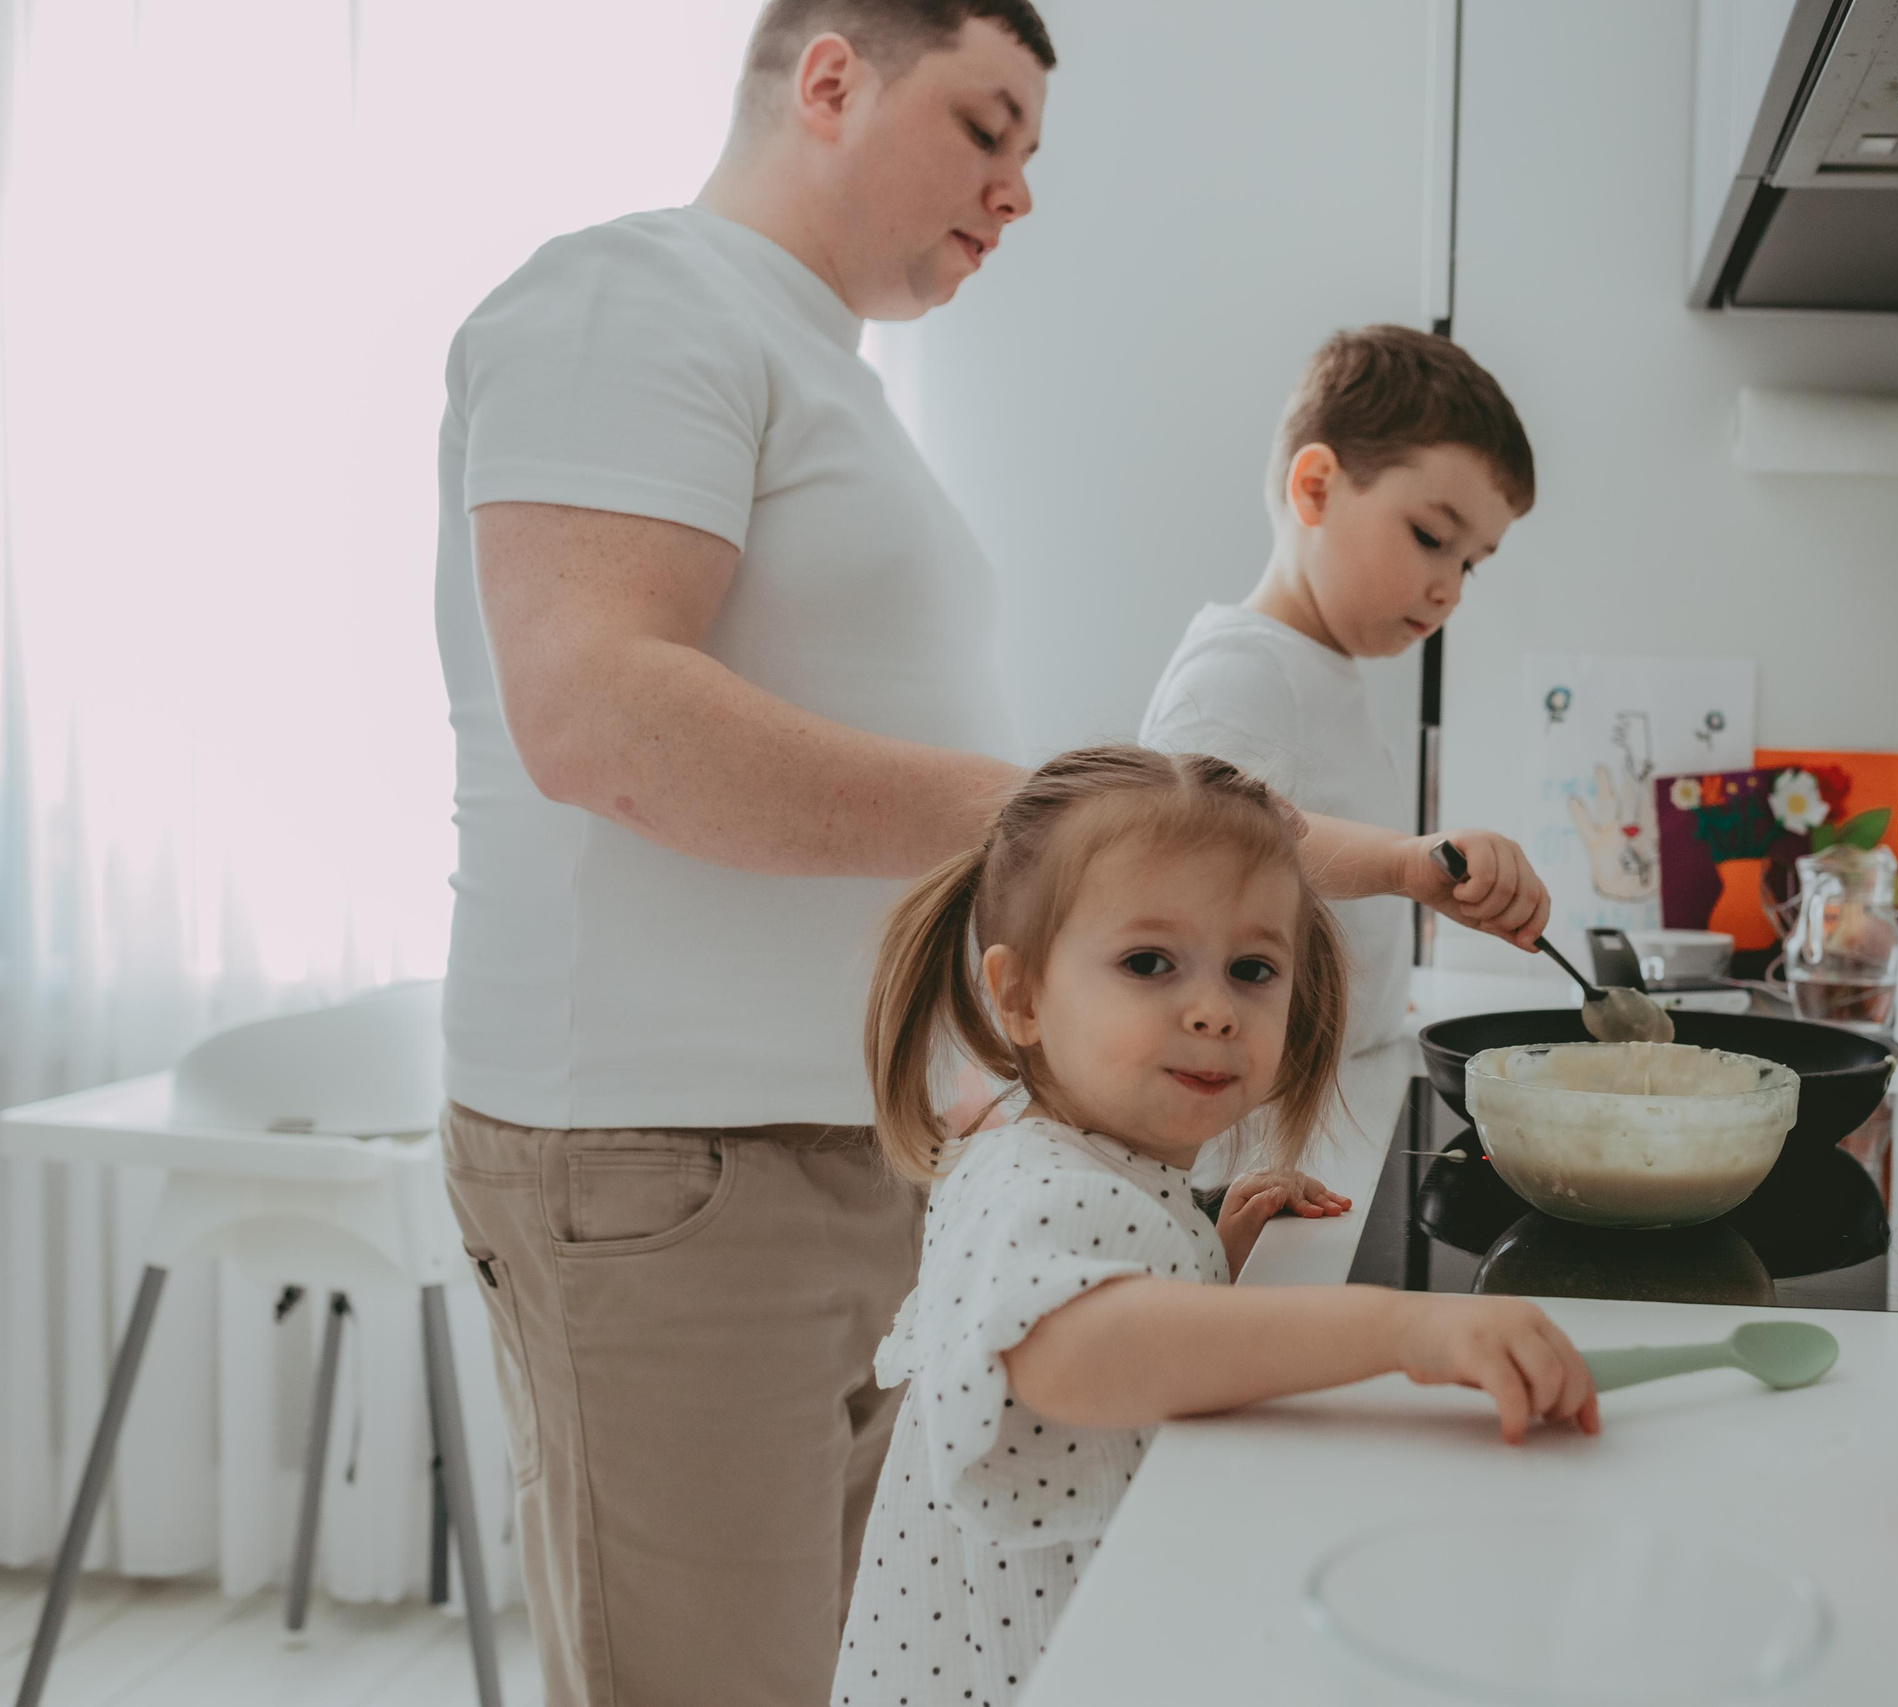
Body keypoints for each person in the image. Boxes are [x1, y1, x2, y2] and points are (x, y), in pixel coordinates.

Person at [429, 4, 1550, 1704]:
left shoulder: (824, 377)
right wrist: (1053, 824)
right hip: (664, 1160)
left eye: (1030, 153)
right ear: (828, 79)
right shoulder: (630, 300)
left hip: (851, 1148)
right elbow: (599, 717)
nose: (1018, 188)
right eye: (985, 126)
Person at [836, 746, 1600, 1706]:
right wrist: (1407, 1329)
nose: (1212, 1010)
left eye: (1252, 969)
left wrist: (1210, 1245)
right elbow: (1068, 1352)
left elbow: (1109, 1293)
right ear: (1021, 995)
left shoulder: (1074, 1153)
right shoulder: (1035, 1183)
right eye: (1148, 963)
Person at [1140, 326, 1535, 1060]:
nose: (1449, 588)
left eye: (1471, 564)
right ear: (1315, 487)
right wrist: (1406, 861)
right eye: (1429, 535)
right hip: (1245, 1127)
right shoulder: (1239, 669)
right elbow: (1208, 849)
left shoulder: (1323, 671)